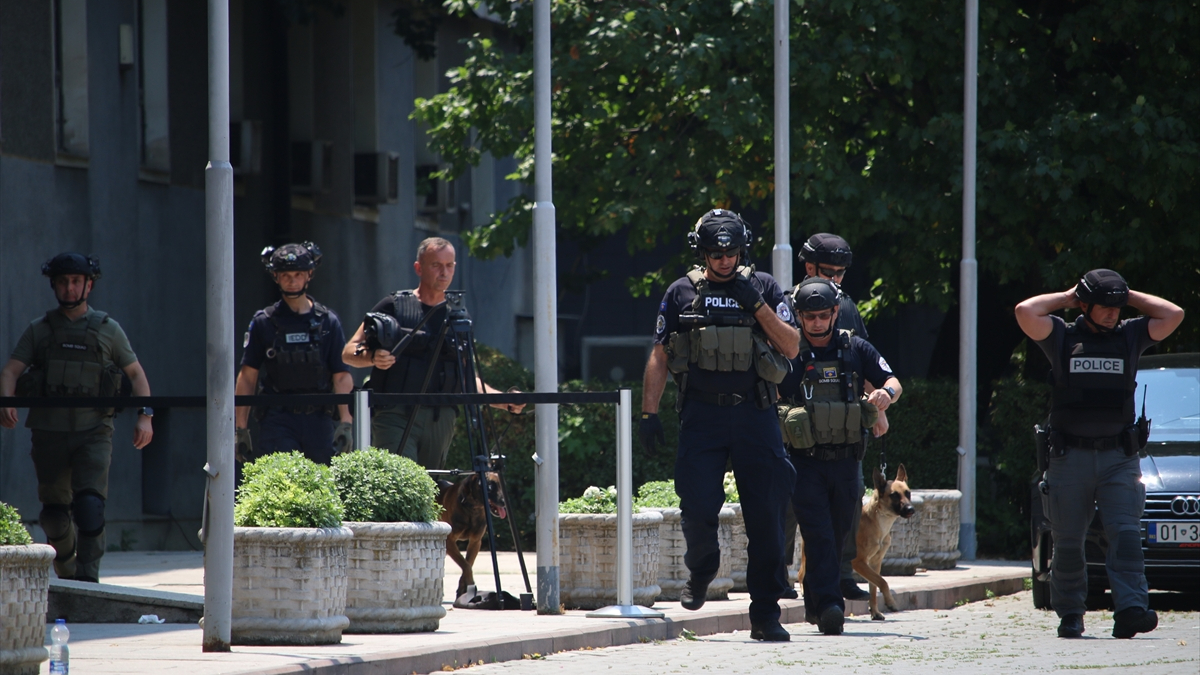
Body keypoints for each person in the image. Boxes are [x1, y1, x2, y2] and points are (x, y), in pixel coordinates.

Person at [639, 209, 800, 642]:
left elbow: (791, 345)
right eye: (716, 253)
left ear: (742, 249)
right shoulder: (681, 292)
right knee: (696, 506)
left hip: (755, 415)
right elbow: (659, 354)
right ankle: (702, 568)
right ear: (703, 252)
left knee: (766, 517)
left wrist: (756, 304)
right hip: (702, 416)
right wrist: (649, 413)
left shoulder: (764, 286)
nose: (725, 260)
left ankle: (765, 615)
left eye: (731, 253)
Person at [1015, 269, 1183, 639]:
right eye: (1104, 306)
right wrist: (1068, 297)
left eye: (1116, 307)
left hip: (1119, 458)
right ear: (1085, 305)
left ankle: (1130, 611)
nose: (1112, 313)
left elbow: (1174, 314)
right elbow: (1025, 311)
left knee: (1126, 536)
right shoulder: (1061, 335)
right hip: (1069, 457)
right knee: (1068, 542)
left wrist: (1126, 295)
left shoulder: (1130, 335)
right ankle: (1071, 614)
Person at [0, 253, 154, 582]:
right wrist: (7, 402)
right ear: (54, 285)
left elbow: (136, 374)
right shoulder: (40, 330)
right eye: (62, 282)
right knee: (54, 517)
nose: (69, 288)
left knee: (89, 508)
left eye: (75, 281)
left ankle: (88, 580)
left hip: (93, 431)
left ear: (89, 285)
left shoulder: (108, 329)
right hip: (49, 433)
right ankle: (67, 567)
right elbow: (10, 371)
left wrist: (146, 415)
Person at [777, 276, 901, 635]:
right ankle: (831, 605)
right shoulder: (789, 350)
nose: (817, 323)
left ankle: (816, 604)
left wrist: (885, 396)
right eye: (809, 316)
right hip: (805, 461)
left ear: (835, 312)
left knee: (837, 533)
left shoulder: (855, 347)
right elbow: (768, 391)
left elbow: (893, 380)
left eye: (823, 315)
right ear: (799, 316)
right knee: (817, 533)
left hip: (847, 460)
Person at [342, 237, 523, 470]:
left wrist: (502, 400)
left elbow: (466, 377)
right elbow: (348, 352)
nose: (444, 272)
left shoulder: (459, 317)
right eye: (436, 265)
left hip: (441, 417)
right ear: (419, 268)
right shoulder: (393, 306)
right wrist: (371, 357)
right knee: (401, 480)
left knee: (431, 485)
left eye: (449, 265)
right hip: (395, 413)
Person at [793, 232, 878, 601]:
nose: (837, 279)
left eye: (841, 273)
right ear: (809, 267)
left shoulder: (845, 306)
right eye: (829, 272)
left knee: (850, 498)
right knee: (787, 502)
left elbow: (862, 360)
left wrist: (877, 406)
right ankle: (783, 576)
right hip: (799, 425)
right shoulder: (787, 304)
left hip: (842, 424)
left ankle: (843, 573)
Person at [234, 242, 353, 466]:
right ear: (276, 277)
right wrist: (240, 428)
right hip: (277, 419)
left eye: (298, 274)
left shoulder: (328, 321)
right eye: (285, 275)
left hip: (319, 419)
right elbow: (248, 376)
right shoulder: (264, 322)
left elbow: (341, 375)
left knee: (322, 481)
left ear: (309, 275)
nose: (292, 280)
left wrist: (346, 423)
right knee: (281, 480)